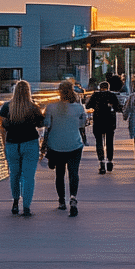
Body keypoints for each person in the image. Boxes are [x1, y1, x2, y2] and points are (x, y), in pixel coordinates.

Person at [0, 80, 43, 217]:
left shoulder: (7, 107)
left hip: (12, 143)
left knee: (14, 174)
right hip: (30, 143)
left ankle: (15, 202)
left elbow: (2, 126)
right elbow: (41, 123)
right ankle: (27, 206)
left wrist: (4, 144)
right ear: (28, 92)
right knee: (28, 177)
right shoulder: (33, 107)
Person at [43, 79, 88, 217]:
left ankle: (61, 201)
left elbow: (46, 125)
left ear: (59, 92)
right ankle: (73, 197)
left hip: (56, 145)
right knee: (74, 173)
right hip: (74, 144)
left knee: (59, 174)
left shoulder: (51, 107)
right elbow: (82, 125)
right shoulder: (79, 108)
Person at [84, 80, 122, 173]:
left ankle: (101, 162)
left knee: (99, 142)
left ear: (99, 88)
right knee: (109, 142)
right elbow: (118, 108)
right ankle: (109, 161)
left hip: (98, 121)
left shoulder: (95, 95)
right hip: (110, 122)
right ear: (108, 88)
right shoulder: (112, 95)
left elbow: (88, 106)